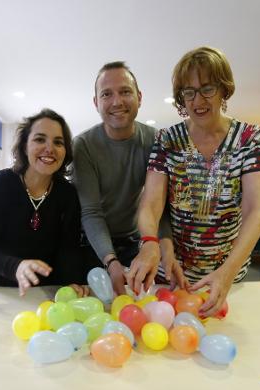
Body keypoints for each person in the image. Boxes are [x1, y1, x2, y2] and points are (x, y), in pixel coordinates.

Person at [127, 46, 260, 316]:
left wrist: (226, 273)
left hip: (227, 275)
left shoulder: (249, 138)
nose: (197, 100)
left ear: (224, 89)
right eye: (188, 92)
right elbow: (152, 203)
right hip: (170, 272)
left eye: (207, 88)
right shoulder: (167, 139)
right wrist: (150, 242)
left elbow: (257, 208)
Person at [72, 61, 184, 295]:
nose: (116, 101)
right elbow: (91, 211)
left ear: (139, 97)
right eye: (106, 94)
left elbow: (159, 204)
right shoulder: (83, 146)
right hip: (92, 244)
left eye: (125, 92)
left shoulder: (156, 140)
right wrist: (110, 262)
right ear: (96, 103)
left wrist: (165, 245)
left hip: (136, 241)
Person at [0, 109, 88, 297]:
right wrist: (16, 266)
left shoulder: (67, 194)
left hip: (45, 294)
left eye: (58, 142)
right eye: (40, 139)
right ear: (24, 146)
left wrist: (72, 281)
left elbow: (69, 248)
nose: (49, 148)